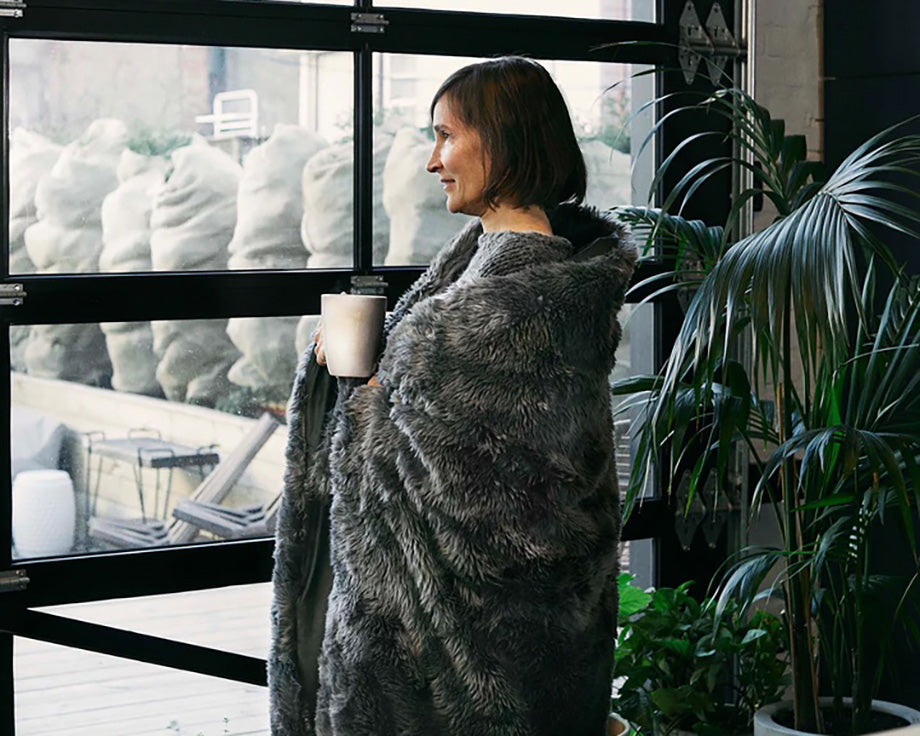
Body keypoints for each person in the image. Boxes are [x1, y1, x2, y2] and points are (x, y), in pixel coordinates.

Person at [269, 56, 636, 736]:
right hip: (452, 659)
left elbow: (499, 505)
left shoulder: (522, 303)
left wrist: (363, 393)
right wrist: (378, 382)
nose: (433, 160)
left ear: (503, 140)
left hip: (454, 679)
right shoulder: (488, 275)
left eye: (446, 136)